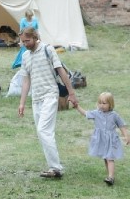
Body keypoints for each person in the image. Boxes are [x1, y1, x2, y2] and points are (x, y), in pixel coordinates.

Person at [18, 26, 78, 179]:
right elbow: (26, 80)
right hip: (36, 98)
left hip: (50, 95)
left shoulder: (47, 49)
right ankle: (54, 167)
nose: (25, 43)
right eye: (23, 41)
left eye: (27, 40)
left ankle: (56, 168)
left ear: (35, 37)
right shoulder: (25, 56)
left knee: (43, 130)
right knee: (43, 132)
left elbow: (61, 71)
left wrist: (71, 92)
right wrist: (22, 103)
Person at [74, 92, 130, 186]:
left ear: (110, 104)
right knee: (105, 158)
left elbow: (121, 126)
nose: (101, 105)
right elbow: (85, 113)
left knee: (110, 158)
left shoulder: (114, 115)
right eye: (100, 103)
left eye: (104, 103)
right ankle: (110, 175)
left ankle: (111, 177)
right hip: (101, 140)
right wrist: (77, 106)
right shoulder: (96, 113)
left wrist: (126, 136)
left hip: (111, 140)